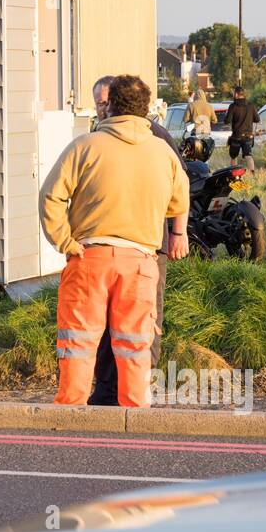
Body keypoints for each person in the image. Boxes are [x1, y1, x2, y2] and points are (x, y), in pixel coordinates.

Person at [39, 74, 190, 407]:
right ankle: (133, 420)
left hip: (89, 257)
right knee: (135, 345)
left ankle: (68, 420)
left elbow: (50, 196)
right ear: (145, 107)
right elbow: (180, 198)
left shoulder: (85, 146)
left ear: (111, 104)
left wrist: (65, 241)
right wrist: (176, 233)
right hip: (140, 262)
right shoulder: (161, 150)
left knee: (78, 346)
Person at [86, 76, 185, 406]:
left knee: (144, 321)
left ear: (117, 101)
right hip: (106, 245)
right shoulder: (98, 137)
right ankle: (108, 388)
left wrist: (176, 233)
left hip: (147, 247)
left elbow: (179, 186)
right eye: (97, 103)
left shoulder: (153, 137)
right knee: (105, 320)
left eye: (105, 102)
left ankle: (139, 386)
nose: (102, 108)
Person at [225, 85, 260, 172]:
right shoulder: (251, 106)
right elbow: (257, 119)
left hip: (236, 136)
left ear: (236, 94)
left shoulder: (233, 106)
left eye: (234, 93)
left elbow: (227, 121)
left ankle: (234, 174)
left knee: (233, 156)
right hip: (248, 136)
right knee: (248, 155)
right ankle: (253, 174)